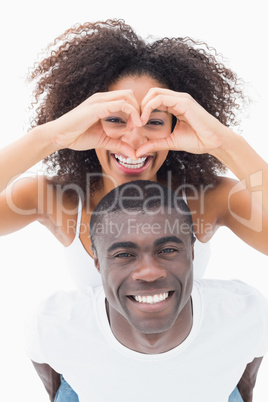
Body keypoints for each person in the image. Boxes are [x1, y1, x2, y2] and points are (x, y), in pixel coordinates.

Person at [0, 19, 267, 400]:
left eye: (154, 122)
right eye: (115, 120)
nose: (134, 139)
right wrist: (51, 136)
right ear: (87, 120)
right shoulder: (60, 200)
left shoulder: (208, 199)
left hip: (195, 376)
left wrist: (222, 142)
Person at [27, 180, 268, 402]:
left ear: (192, 252)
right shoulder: (55, 324)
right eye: (124, 254)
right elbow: (53, 381)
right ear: (97, 261)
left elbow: (246, 381)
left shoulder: (245, 312)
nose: (149, 272)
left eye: (168, 250)